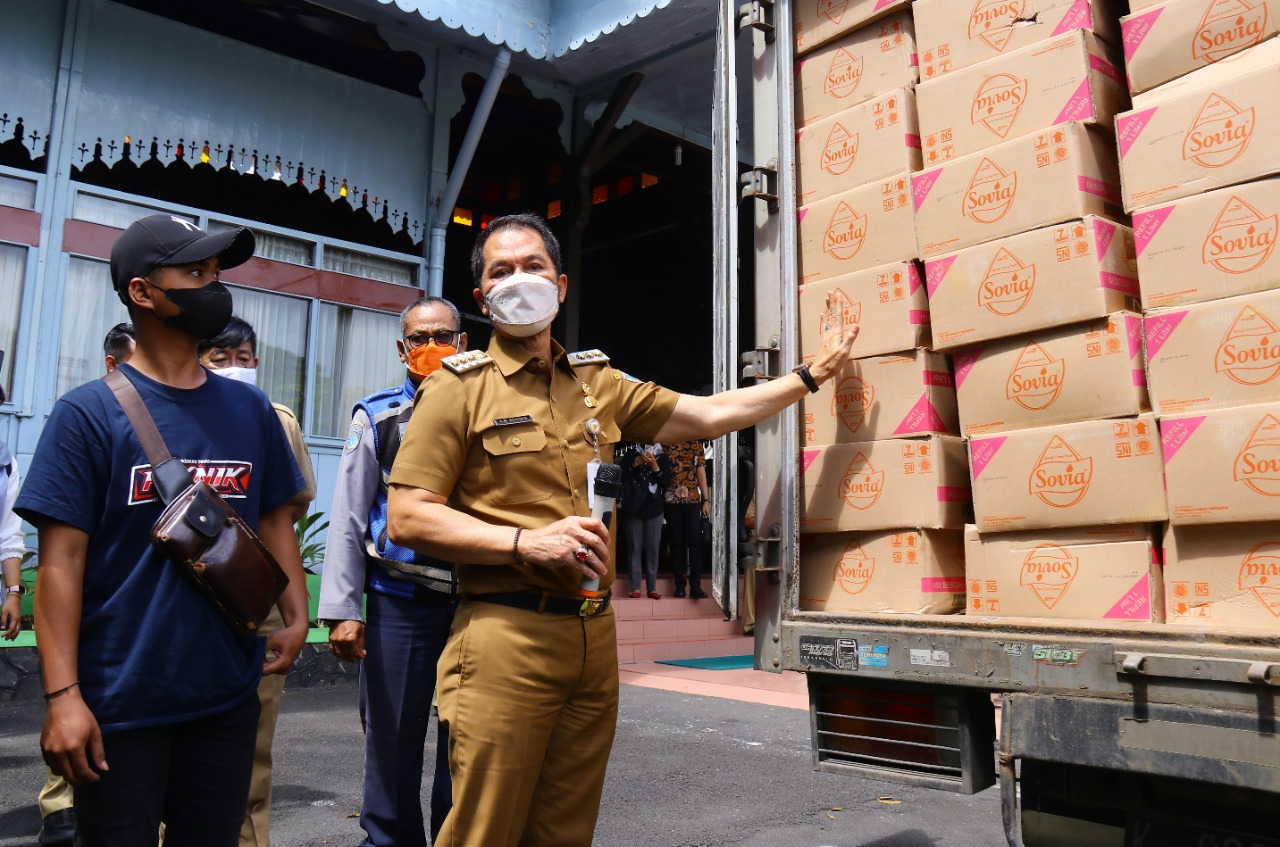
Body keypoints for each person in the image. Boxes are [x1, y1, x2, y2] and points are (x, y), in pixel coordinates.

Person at [384, 212, 858, 847]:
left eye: (533, 267)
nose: (519, 280)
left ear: (561, 284)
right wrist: (525, 542)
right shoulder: (456, 389)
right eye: (502, 271)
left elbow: (709, 413)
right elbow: (409, 514)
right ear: (481, 298)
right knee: (483, 832)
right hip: (504, 634)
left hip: (590, 636)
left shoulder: (596, 383)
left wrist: (809, 376)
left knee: (565, 831)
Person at [15, 214, 310, 847]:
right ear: (143, 292)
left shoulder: (251, 409)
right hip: (120, 702)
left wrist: (296, 611)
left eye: (216, 273)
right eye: (195, 273)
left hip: (226, 695)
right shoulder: (86, 415)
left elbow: (272, 515)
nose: (215, 286)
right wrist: (63, 696)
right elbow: (60, 563)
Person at [316, 295, 465, 847]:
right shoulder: (377, 416)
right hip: (399, 600)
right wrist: (341, 610)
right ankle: (387, 841)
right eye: (419, 338)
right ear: (402, 349)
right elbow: (349, 516)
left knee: (467, 740)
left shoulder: (486, 412)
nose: (431, 347)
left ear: (463, 344)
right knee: (392, 738)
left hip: (474, 601)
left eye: (443, 336)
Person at [197, 316, 317, 847]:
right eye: (219, 358)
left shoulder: (277, 421)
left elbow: (288, 508)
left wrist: (295, 607)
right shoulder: (167, 413)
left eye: (243, 357)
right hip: (180, 600)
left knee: (250, 748)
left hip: (254, 597)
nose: (233, 368)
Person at [616, 442, 669, 599]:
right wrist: (635, 463)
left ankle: (652, 587)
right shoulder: (632, 453)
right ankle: (635, 587)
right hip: (633, 507)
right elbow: (621, 476)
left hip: (654, 507)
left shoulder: (662, 456)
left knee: (653, 548)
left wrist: (655, 466)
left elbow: (666, 482)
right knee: (634, 546)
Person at [663, 440, 710, 599]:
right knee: (676, 542)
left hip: (692, 499)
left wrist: (706, 500)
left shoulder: (696, 445)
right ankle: (680, 585)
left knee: (695, 542)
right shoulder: (666, 444)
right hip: (672, 500)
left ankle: (695, 585)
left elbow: (701, 471)